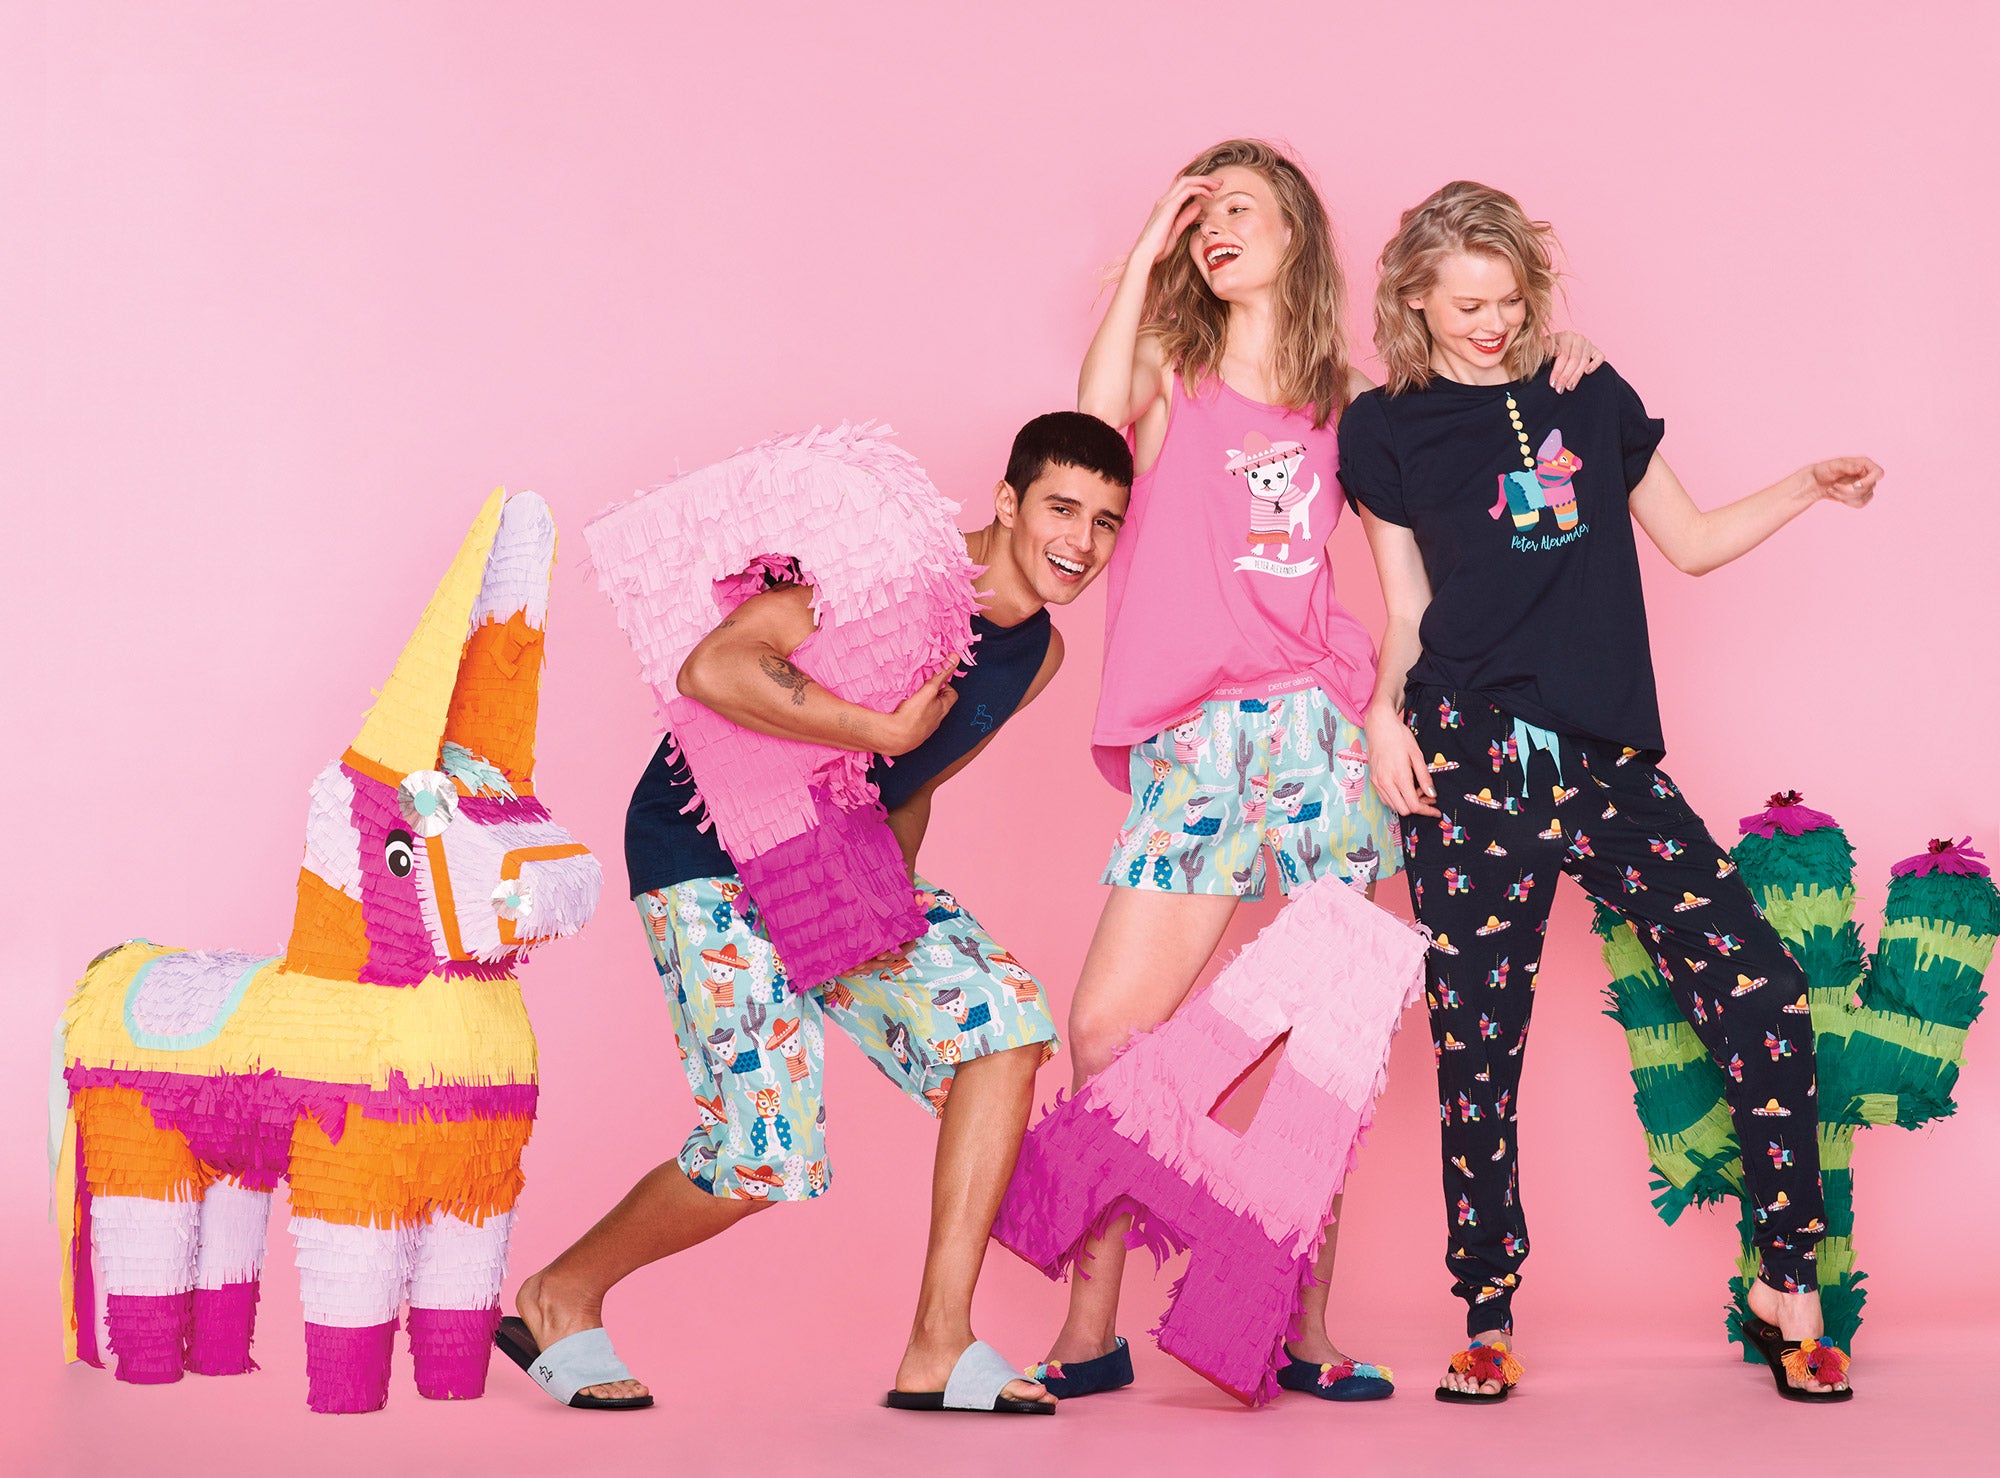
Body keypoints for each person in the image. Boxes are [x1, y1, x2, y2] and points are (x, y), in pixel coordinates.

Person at [1042, 139, 1603, 1403]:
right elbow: (1090, 411)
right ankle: (1088, 1329)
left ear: (1294, 227)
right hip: (1195, 740)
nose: (1214, 226)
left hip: (1319, 730)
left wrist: (1554, 366)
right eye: (1198, 214)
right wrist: (1148, 238)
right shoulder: (1168, 366)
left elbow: (1470, 445)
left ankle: (1299, 1327)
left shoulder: (1345, 401)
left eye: (1238, 205)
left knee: (1327, 1041)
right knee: (1108, 1031)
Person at [1338, 180, 1879, 1404]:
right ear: (1413, 300)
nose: (1491, 323)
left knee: (1762, 990)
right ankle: (1486, 1312)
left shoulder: (1584, 389)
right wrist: (1380, 715)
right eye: (1465, 304)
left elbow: (1686, 541)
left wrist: (1801, 484)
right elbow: (1406, 606)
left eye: (1507, 298)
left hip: (1602, 759)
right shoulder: (1381, 430)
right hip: (1465, 753)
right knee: (1477, 1044)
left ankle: (1787, 1283)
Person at [500, 412, 1133, 1413]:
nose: (1080, 541)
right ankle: (557, 1295)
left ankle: (938, 1346)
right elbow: (715, 668)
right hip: (708, 844)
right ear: (1008, 502)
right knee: (761, 1155)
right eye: (1062, 508)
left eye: (1104, 522)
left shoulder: (1037, 654)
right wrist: (875, 727)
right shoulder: (895, 569)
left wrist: (885, 920)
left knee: (1004, 1025)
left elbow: (917, 779)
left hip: (835, 857)